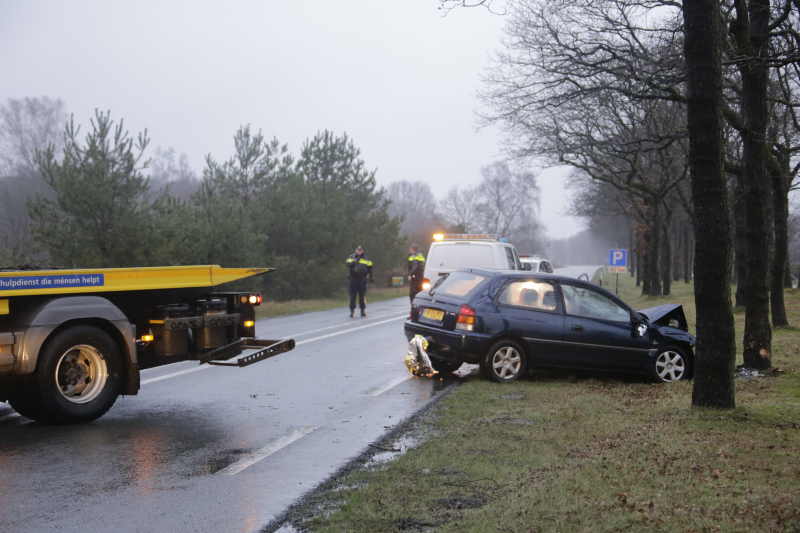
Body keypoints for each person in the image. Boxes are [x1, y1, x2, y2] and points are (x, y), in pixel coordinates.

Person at [346, 245, 373, 317]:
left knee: (362, 295)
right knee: (352, 296)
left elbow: (370, 268)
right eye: (358, 250)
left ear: (362, 251)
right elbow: (348, 264)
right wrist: (355, 261)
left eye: (360, 250)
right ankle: (352, 311)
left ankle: (362, 310)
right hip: (353, 279)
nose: (359, 251)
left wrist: (371, 276)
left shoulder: (366, 258)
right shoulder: (351, 257)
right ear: (356, 250)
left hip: (362, 279)